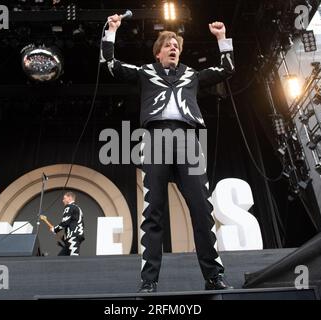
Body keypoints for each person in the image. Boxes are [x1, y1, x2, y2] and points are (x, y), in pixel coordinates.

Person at [101, 14, 235, 293]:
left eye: (177, 45)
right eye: (168, 44)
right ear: (158, 51)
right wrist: (111, 31)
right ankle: (149, 281)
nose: (174, 47)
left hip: (188, 138)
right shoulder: (145, 72)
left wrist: (222, 39)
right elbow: (110, 66)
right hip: (155, 138)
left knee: (201, 207)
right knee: (154, 210)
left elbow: (227, 69)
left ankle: (213, 276)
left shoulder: (192, 75)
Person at [50, 191, 85, 256]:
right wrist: (63, 237)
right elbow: (73, 223)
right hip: (75, 236)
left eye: (64, 198)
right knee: (61, 258)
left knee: (74, 258)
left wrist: (55, 229)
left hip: (73, 237)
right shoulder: (77, 208)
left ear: (69, 198)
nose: (63, 200)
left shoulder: (69, 207)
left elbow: (65, 222)